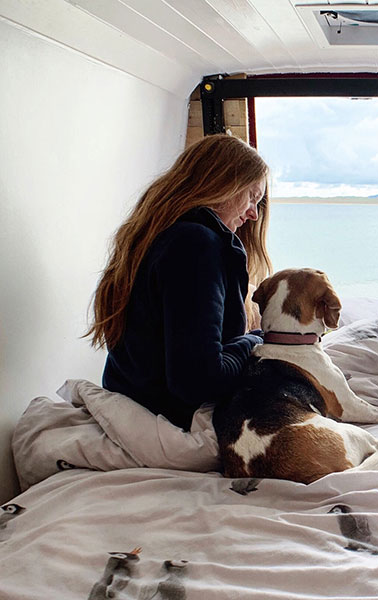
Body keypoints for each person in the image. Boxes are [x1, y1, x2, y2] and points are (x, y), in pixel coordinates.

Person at [86, 134, 272, 430]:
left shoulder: (158, 235)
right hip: (166, 421)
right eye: (251, 196)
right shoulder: (194, 244)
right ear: (220, 183)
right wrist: (260, 339)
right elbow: (198, 383)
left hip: (133, 400)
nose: (252, 213)